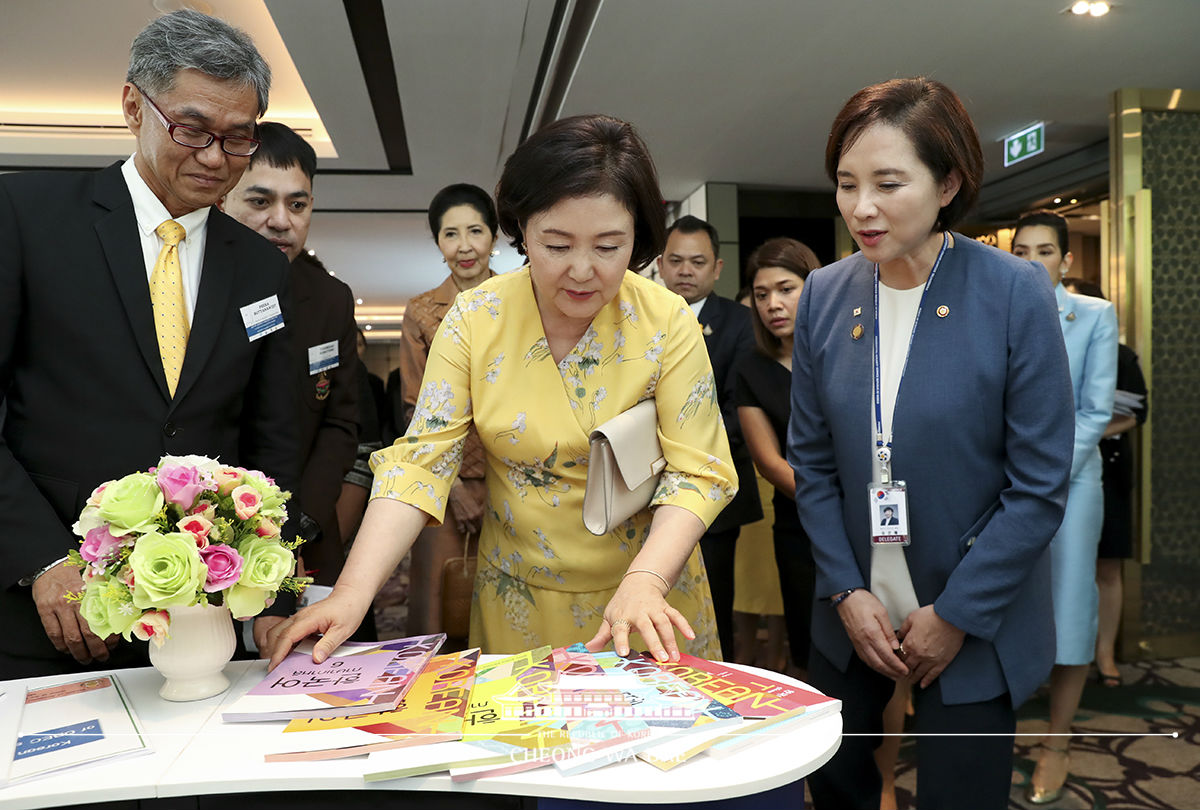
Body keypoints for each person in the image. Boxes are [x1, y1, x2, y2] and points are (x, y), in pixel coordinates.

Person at [266, 114, 735, 667]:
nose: (582, 271)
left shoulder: (665, 320)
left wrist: (647, 580)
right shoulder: (477, 318)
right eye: (556, 244)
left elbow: (697, 472)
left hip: (646, 594)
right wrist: (351, 591)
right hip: (520, 593)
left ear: (637, 241)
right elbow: (421, 464)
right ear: (519, 231)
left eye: (609, 247)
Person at [788, 77, 1074, 810]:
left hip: (969, 609)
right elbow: (813, 466)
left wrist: (955, 615)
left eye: (888, 183)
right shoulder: (825, 293)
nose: (862, 207)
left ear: (948, 181)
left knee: (961, 796)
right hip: (850, 611)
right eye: (847, 184)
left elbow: (1038, 487)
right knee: (838, 788)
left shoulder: (1013, 292)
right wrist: (847, 591)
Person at [0, 9, 297, 678]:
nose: (216, 157)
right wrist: (41, 560)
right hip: (50, 608)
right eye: (192, 130)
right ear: (134, 104)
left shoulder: (259, 267)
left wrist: (272, 589)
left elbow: (273, 434)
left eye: (239, 137)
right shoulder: (27, 219)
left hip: (203, 618)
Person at [219, 121, 360, 589]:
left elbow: (340, 423)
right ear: (222, 200)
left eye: (297, 204)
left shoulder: (330, 298)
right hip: (203, 533)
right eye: (260, 201)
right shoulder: (188, 287)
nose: (281, 220)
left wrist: (298, 523)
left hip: (306, 534)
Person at [1012, 210, 1118, 804]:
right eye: (1022, 252)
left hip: (1069, 487)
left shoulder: (1094, 317)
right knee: (1001, 597)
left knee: (1071, 607)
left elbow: (1096, 412)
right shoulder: (995, 310)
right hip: (1001, 486)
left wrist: (1040, 479)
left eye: (1045, 252)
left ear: (1066, 261)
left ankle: (1058, 741)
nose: (1032, 263)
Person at [657, 215, 763, 659]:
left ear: (717, 268)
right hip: (645, 487)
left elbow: (738, 408)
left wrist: (678, 449)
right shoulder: (641, 318)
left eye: (697, 262)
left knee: (713, 601)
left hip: (713, 488)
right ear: (660, 265)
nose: (685, 270)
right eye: (676, 260)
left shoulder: (741, 322)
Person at [396, 183, 498, 637]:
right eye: (450, 234)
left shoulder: (524, 301)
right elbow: (417, 407)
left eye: (475, 231)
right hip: (442, 481)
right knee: (443, 608)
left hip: (513, 474)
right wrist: (453, 486)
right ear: (438, 243)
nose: (464, 246)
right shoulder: (421, 311)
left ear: (493, 236)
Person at [733, 237, 820, 676]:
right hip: (799, 521)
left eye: (787, 289)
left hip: (872, 515)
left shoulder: (848, 348)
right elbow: (768, 461)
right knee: (810, 643)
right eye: (762, 295)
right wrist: (826, 503)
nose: (773, 304)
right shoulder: (751, 366)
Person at [1063, 277, 1148, 689]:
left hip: (1104, 469)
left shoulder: (1121, 356)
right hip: (1062, 464)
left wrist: (1096, 429)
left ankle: (1105, 652)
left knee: (1107, 565)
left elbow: (1139, 410)